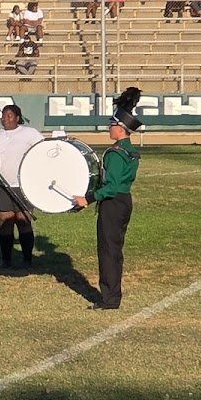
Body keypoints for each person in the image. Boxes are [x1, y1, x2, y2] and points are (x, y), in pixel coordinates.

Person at [73, 87, 142, 311]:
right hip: (124, 201)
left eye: (111, 125)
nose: (108, 128)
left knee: (108, 251)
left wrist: (89, 198)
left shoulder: (115, 153)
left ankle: (109, 298)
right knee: (115, 249)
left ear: (120, 128)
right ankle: (112, 294)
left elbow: (110, 187)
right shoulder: (130, 150)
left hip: (113, 204)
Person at [0, 105, 43, 270]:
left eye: (9, 116)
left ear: (17, 117)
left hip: (23, 185)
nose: (5, 119)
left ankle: (27, 259)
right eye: (3, 116)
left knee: (23, 222)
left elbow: (43, 150)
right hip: (1, 185)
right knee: (5, 222)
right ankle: (6, 260)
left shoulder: (29, 133)